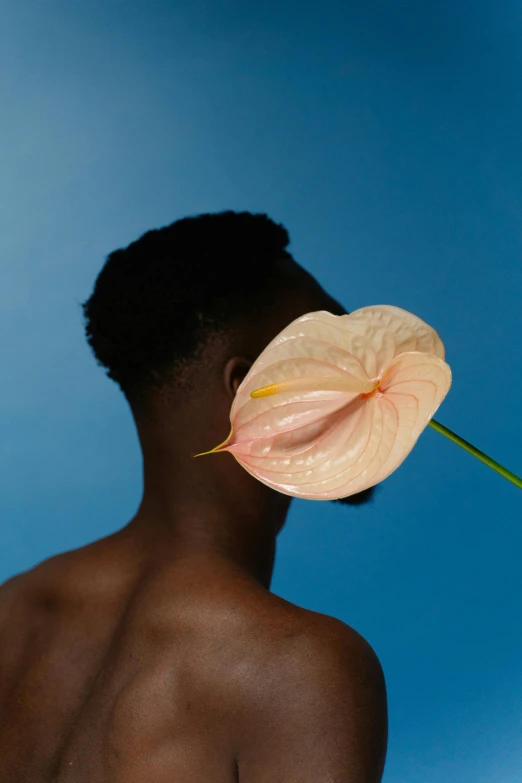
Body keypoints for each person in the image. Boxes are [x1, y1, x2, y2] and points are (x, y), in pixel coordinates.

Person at [0, 211, 387, 782]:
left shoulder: (12, 614)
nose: (376, 371)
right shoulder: (295, 668)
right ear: (253, 388)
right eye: (336, 341)